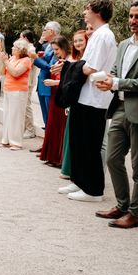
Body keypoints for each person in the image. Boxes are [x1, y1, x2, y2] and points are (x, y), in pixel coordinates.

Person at [95, 0, 138, 231]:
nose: (133, 21)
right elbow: (115, 71)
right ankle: (122, 205)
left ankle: (135, 213)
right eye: (131, 16)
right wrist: (107, 81)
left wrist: (118, 82)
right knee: (112, 158)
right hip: (119, 108)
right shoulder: (123, 44)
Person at [59, 0, 117, 202]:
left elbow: (90, 67)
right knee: (78, 142)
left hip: (94, 99)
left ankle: (93, 190)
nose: (84, 12)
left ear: (98, 12)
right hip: (85, 97)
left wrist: (69, 67)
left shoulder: (103, 36)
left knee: (89, 145)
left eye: (87, 9)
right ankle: (79, 181)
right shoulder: (98, 35)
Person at [59, 30, 88, 180]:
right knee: (70, 134)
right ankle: (67, 169)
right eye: (75, 41)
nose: (77, 44)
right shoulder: (72, 58)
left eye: (80, 41)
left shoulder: (89, 58)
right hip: (73, 99)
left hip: (85, 99)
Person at [38, 35, 70, 167]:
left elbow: (69, 81)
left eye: (56, 49)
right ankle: (51, 156)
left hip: (61, 96)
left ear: (64, 47)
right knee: (52, 125)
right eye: (54, 49)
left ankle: (59, 157)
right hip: (53, 95)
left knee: (60, 127)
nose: (55, 52)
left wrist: (54, 82)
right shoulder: (59, 61)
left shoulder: (69, 61)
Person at [0, 40, 32, 150]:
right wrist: (3, 62)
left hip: (19, 91)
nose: (12, 48)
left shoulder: (26, 60)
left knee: (16, 116)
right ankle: (6, 140)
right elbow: (3, 73)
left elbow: (16, 73)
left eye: (14, 47)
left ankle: (16, 142)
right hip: (8, 89)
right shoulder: (12, 58)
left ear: (20, 49)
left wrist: (6, 62)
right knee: (7, 115)